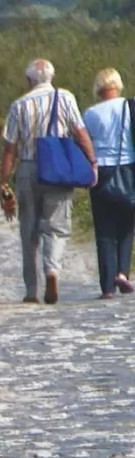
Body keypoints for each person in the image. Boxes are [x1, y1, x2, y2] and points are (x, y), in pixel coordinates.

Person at [1, 59, 99, 305]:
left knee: (29, 231)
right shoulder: (65, 98)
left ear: (29, 80)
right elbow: (81, 132)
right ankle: (52, 271)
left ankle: (32, 290)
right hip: (57, 169)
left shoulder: (18, 105)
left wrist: (3, 183)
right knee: (56, 228)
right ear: (52, 77)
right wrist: (92, 162)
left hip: (27, 168)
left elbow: (10, 148)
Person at [83, 67, 135, 298]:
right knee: (127, 225)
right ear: (118, 84)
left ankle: (107, 287)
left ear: (98, 87)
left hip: (100, 171)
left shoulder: (91, 114)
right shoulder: (130, 106)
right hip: (129, 168)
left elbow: (86, 143)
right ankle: (123, 273)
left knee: (104, 230)